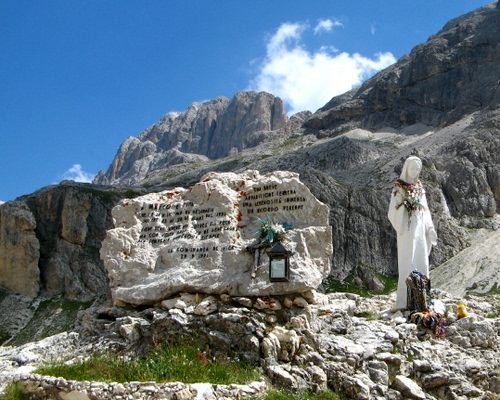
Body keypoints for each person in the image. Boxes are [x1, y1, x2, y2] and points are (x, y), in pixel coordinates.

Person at [388, 156, 437, 312]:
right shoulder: (398, 189)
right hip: (407, 232)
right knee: (407, 262)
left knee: (422, 261)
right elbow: (392, 212)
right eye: (412, 168)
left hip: (420, 230)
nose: (415, 172)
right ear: (406, 169)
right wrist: (405, 205)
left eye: (417, 169)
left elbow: (426, 210)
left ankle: (423, 300)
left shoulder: (420, 188)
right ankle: (405, 301)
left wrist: (430, 228)